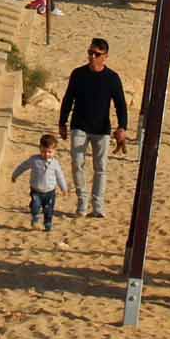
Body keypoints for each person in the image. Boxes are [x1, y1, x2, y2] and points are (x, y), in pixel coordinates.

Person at [56, 37, 130, 217]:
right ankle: (82, 202)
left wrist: (122, 127)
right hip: (79, 126)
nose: (92, 56)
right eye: (90, 52)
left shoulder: (112, 78)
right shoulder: (78, 74)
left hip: (102, 129)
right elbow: (68, 99)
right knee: (77, 164)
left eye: (96, 54)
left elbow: (120, 104)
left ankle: (97, 206)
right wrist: (62, 122)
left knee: (101, 168)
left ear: (105, 56)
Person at [10, 133, 68, 231]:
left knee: (48, 209)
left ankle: (48, 223)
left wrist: (64, 188)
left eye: (49, 152)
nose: (46, 154)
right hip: (36, 190)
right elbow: (23, 166)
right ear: (40, 148)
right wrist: (15, 175)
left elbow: (60, 176)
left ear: (55, 151)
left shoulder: (55, 164)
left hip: (50, 191)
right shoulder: (34, 160)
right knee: (35, 205)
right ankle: (35, 216)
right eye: (43, 151)